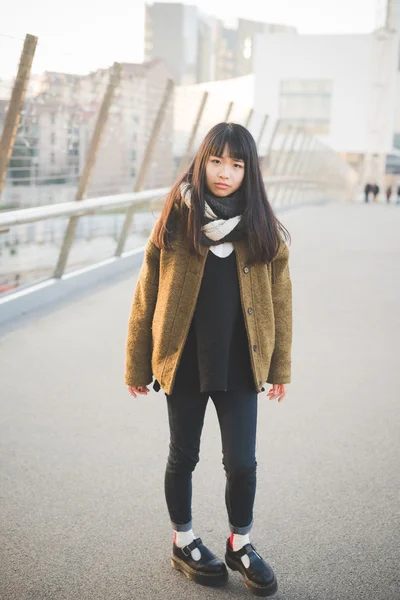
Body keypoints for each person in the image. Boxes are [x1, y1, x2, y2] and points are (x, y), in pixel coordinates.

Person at [125, 122, 292, 597]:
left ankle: (241, 542)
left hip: (242, 364)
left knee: (242, 462)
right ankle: (184, 540)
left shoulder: (262, 229)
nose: (225, 173)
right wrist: (137, 365)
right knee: (184, 455)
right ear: (202, 161)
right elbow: (146, 295)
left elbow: (282, 300)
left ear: (249, 171)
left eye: (237, 164)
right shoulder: (176, 220)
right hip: (185, 361)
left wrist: (280, 367)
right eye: (217, 161)